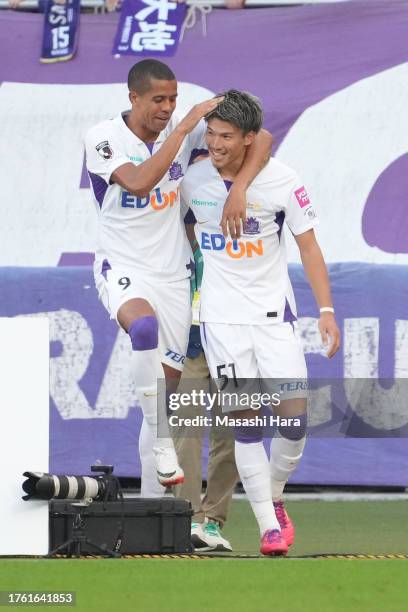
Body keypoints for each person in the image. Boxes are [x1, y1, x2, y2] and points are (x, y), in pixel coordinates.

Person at [85, 61, 272, 493]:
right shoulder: (103, 138)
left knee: (165, 404)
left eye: (173, 100)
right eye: (158, 100)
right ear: (133, 97)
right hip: (123, 265)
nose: (168, 108)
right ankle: (164, 443)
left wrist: (240, 187)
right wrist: (186, 126)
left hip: (174, 275)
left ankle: (155, 509)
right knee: (143, 328)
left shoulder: (184, 131)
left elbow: (259, 136)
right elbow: (138, 183)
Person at [180, 90, 340, 556]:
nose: (216, 143)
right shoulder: (194, 181)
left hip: (274, 320)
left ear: (250, 139)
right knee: (246, 424)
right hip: (222, 324)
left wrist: (326, 311)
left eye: (227, 136)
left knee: (294, 421)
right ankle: (269, 527)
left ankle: (272, 496)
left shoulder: (283, 181)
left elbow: (309, 246)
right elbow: (187, 229)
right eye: (211, 133)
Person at [172, 226, 239, 552]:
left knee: (235, 433)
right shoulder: (177, 214)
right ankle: (187, 518)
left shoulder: (246, 214)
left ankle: (214, 521)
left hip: (237, 342)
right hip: (188, 343)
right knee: (183, 428)